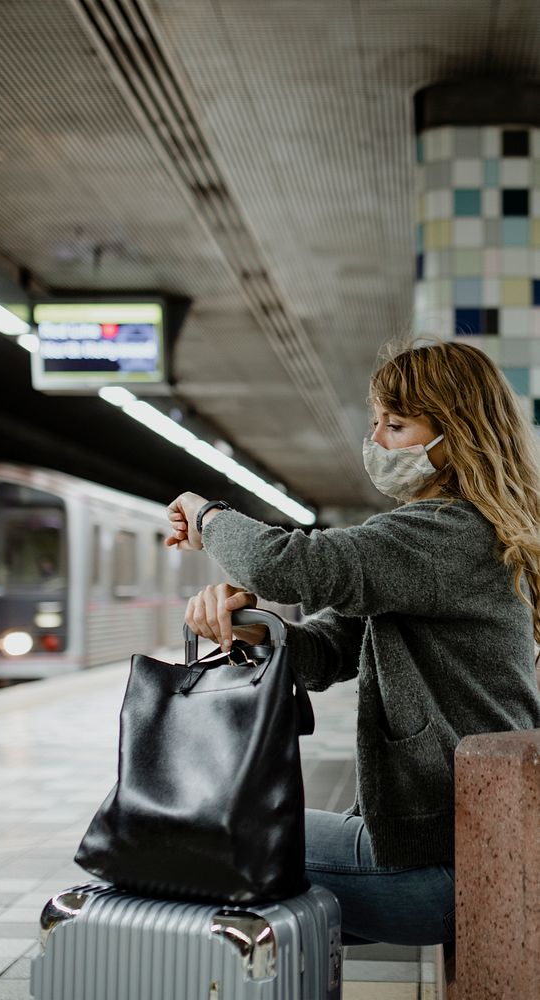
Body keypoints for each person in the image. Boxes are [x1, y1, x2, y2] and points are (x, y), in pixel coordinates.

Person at [165, 340, 540, 946]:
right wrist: (253, 628)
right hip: (458, 846)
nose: (378, 443)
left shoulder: (446, 532)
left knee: (176, 837)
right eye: (376, 424)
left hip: (442, 865)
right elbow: (328, 652)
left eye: (397, 425)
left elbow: (289, 565)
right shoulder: (456, 538)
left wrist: (205, 514)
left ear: (459, 435)